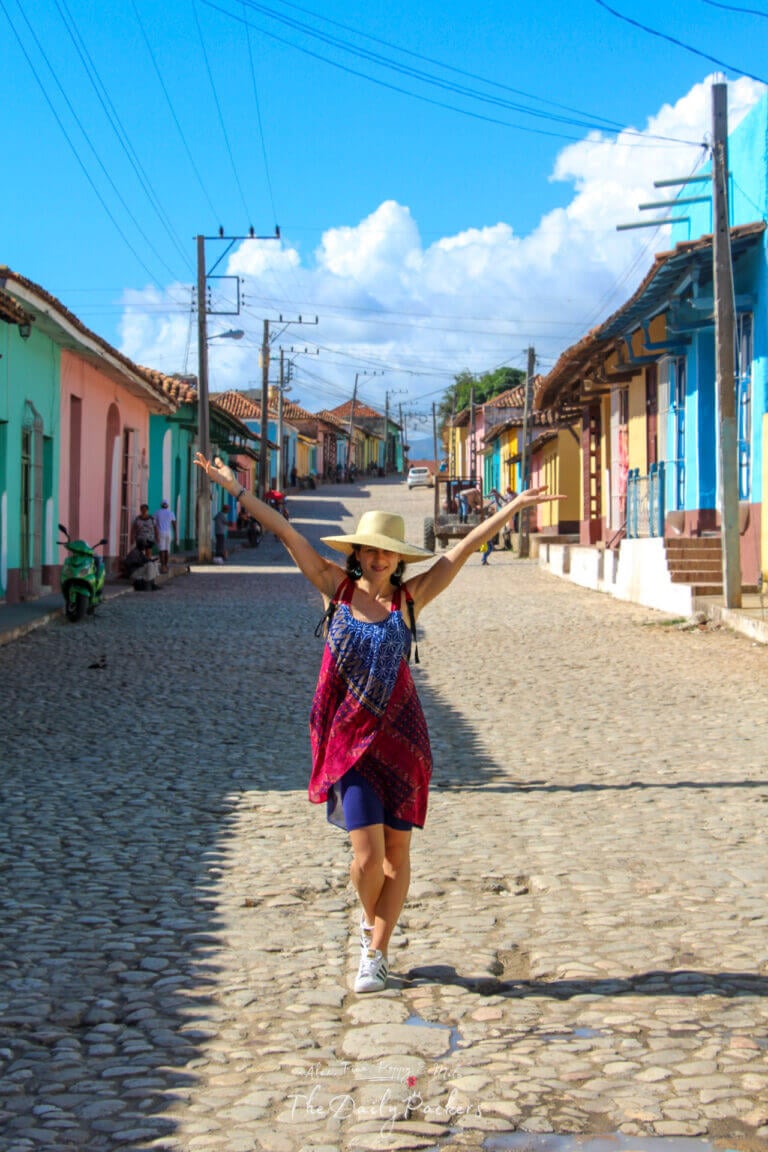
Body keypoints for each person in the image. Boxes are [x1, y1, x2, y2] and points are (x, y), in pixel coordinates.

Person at [194, 451, 562, 994]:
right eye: (370, 550)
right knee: (364, 859)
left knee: (397, 856)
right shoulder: (333, 587)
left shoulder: (411, 600)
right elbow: (286, 532)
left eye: (388, 552)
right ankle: (370, 927)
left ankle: (376, 952)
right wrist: (237, 491)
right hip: (349, 742)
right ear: (359, 554)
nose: (378, 558)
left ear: (398, 559)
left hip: (402, 741)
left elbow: (460, 551)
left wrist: (512, 509)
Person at [154, 500, 177, 573]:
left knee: (161, 550)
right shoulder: (171, 513)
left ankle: (163, 565)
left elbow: (154, 525)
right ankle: (166, 565)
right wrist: (176, 535)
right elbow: (174, 525)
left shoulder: (157, 513)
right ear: (167, 505)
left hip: (160, 532)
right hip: (168, 533)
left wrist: (156, 535)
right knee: (166, 550)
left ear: (161, 505)